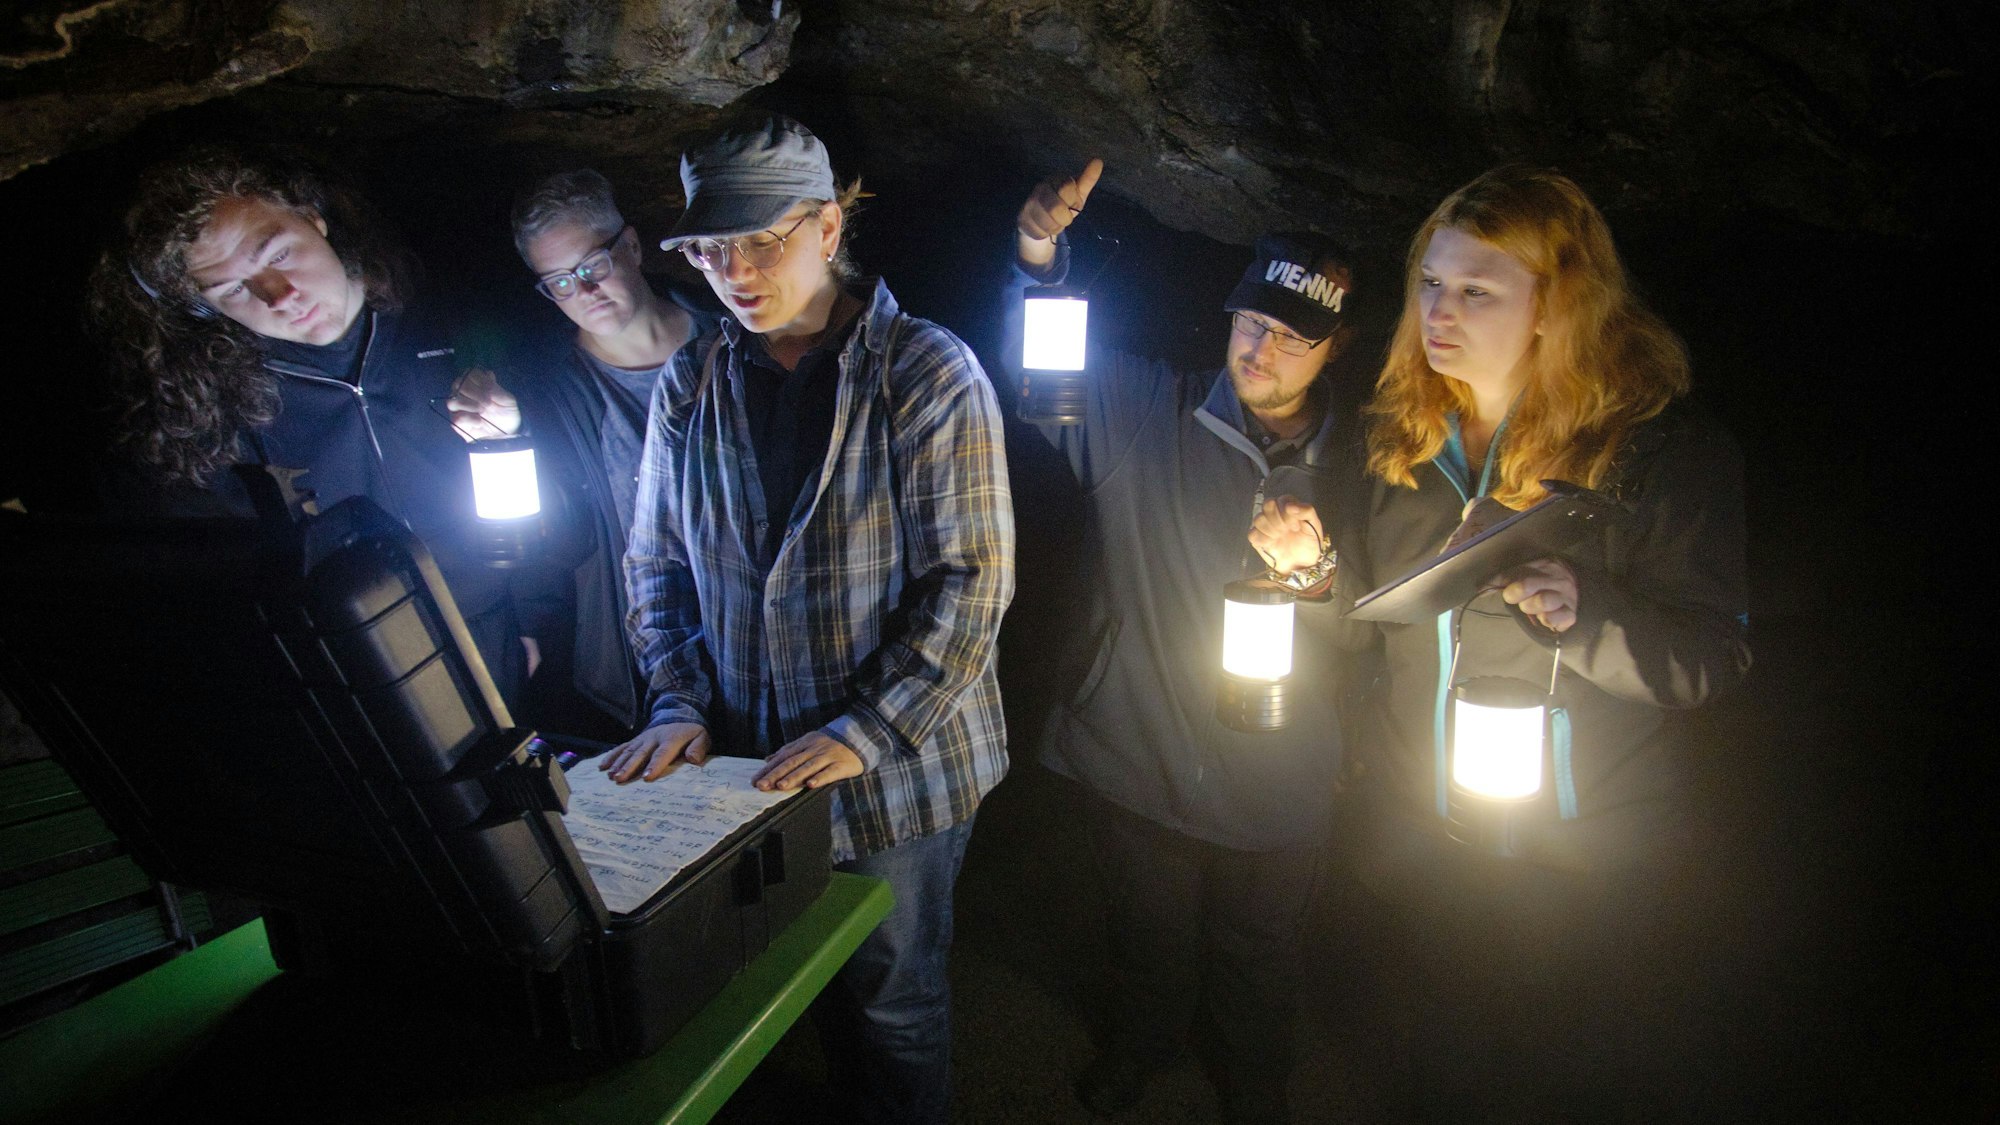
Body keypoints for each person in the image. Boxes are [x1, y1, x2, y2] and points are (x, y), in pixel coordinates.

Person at [1256, 165, 1752, 1116]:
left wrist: (1590, 612)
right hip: (1429, 838)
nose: (1441, 311)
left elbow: (1711, 655)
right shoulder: (1400, 438)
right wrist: (1306, 569)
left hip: (1588, 857)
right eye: (1431, 285)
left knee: (1564, 1067)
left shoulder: (1655, 455)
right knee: (1443, 1053)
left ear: (1555, 305)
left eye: (1478, 290)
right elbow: (1367, 618)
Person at [600, 116, 1014, 1124]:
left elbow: (972, 581)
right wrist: (674, 698)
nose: (732, 272)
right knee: (768, 980)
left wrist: (860, 731)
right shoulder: (690, 384)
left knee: (890, 996)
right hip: (748, 762)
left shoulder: (923, 372)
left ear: (828, 227)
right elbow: (653, 561)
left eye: (761, 240)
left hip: (901, 773)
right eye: (708, 249)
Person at [1010, 159, 1363, 1122]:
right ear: (1229, 315)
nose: (1265, 350)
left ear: (1333, 351)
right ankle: (1140, 1046)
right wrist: (1041, 263)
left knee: (1262, 946)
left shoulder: (1370, 464)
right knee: (1147, 933)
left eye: (1295, 337)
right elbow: (1048, 376)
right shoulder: (1144, 411)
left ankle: (1254, 1077)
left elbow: (1391, 612)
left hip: (1283, 770)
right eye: (1254, 322)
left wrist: (1314, 570)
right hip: (1139, 750)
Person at [87, 145, 526, 700]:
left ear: (314, 218)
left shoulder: (449, 310)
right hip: (351, 675)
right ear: (203, 308)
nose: (280, 297)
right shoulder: (205, 415)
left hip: (495, 629)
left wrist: (536, 614)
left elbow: (569, 497)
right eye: (232, 290)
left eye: (278, 255)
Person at [444, 169, 710, 736]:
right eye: (560, 283)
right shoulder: (546, 394)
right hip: (634, 667)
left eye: (593, 267)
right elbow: (552, 538)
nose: (584, 292)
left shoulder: (735, 337)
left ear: (632, 246)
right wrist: (510, 435)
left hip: (757, 644)